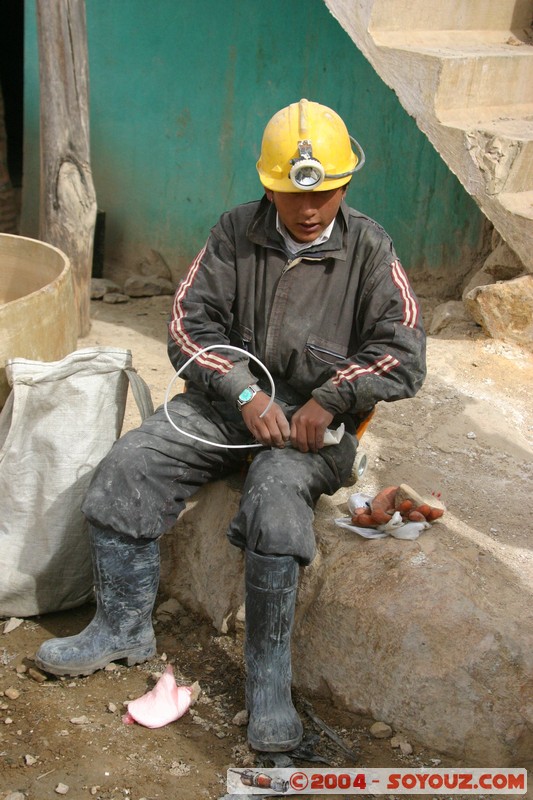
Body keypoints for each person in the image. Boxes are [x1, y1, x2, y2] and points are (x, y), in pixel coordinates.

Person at [35, 99, 426, 753]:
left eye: (324, 194)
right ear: (267, 184)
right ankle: (122, 628)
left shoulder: (370, 249)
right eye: (291, 194)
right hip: (222, 407)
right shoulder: (233, 232)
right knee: (128, 466)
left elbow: (403, 353)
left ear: (344, 186)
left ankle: (268, 690)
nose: (308, 210)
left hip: (311, 433)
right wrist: (241, 389)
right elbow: (186, 322)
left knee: (275, 504)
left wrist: (330, 398)